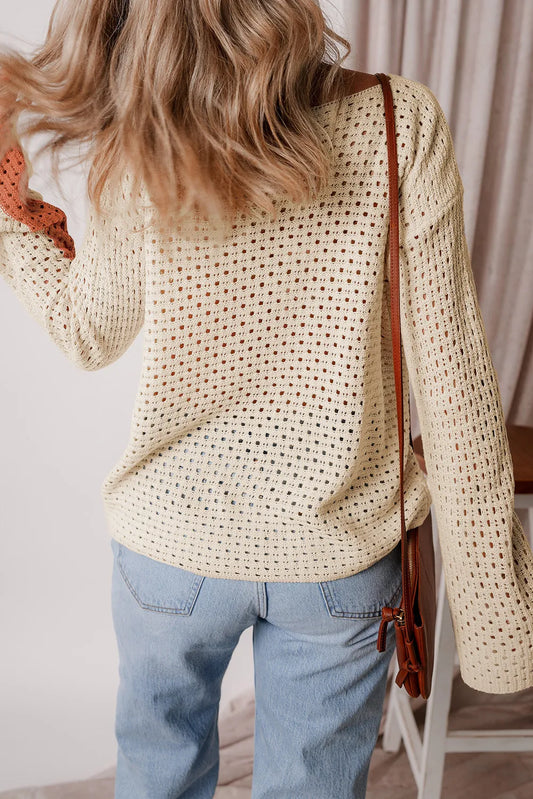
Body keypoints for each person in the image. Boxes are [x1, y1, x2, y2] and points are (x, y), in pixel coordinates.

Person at [1, 2, 532, 798]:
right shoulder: (398, 120)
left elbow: (87, 332)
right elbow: (455, 392)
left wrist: (13, 215)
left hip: (169, 551)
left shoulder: (143, 135)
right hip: (336, 553)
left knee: (156, 777)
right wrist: (498, 623)